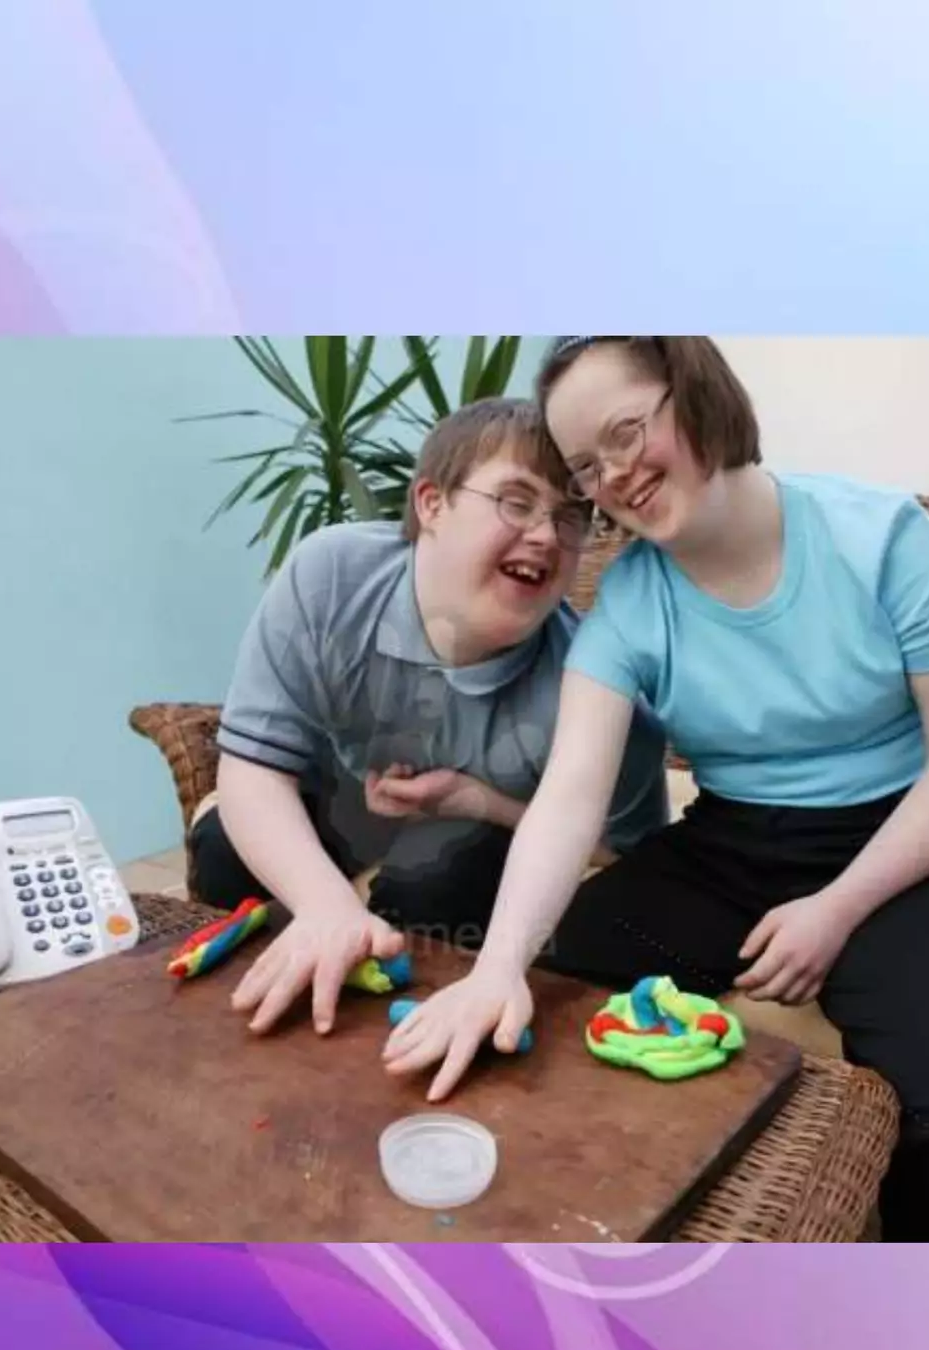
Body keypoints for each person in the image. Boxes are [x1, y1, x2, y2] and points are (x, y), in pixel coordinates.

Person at [382, 337, 929, 1241]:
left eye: (626, 432)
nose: (614, 476)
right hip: (731, 845)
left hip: (908, 844)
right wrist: (497, 969)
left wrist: (837, 909)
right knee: (553, 987)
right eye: (586, 466)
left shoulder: (883, 541)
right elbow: (571, 797)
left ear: (696, 392)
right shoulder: (630, 603)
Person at [192, 396, 671, 1039]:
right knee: (224, 848)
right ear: (431, 503)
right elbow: (251, 767)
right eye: (516, 501)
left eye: (569, 516)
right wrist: (328, 907)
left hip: (472, 849)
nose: (545, 535)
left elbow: (626, 852)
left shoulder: (596, 685)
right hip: (345, 791)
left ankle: (408, 1033)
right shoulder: (330, 576)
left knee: (437, 885)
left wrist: (479, 802)